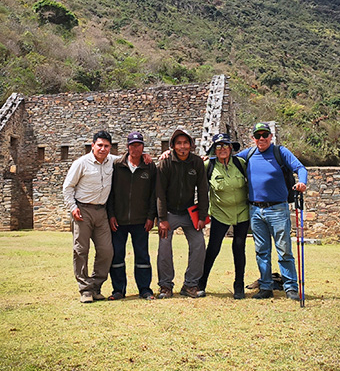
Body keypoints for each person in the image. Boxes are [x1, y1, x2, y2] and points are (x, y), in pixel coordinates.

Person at [237, 122, 307, 300]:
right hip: (255, 210)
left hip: (278, 209)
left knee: (284, 250)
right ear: (253, 138)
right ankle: (266, 286)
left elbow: (300, 168)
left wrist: (302, 182)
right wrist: (208, 158)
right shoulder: (250, 153)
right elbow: (227, 159)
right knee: (261, 251)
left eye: (265, 135)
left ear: (271, 136)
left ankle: (290, 287)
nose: (261, 138)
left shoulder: (280, 152)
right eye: (258, 135)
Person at [63, 130, 116, 303]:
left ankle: (96, 286)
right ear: (92, 145)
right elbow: (68, 187)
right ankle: (85, 289)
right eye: (99, 145)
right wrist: (72, 207)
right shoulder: (81, 163)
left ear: (110, 147)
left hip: (102, 212)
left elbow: (132, 159)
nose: (103, 149)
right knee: (81, 250)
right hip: (82, 211)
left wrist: (145, 155)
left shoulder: (113, 162)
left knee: (106, 251)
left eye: (106, 146)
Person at [156, 126, 209, 298]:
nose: (182, 147)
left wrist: (202, 216)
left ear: (191, 145)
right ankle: (165, 286)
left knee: (199, 244)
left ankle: (190, 285)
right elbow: (160, 192)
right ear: (172, 145)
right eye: (178, 143)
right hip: (169, 212)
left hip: (188, 212)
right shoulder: (165, 162)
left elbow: (202, 190)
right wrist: (162, 218)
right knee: (164, 247)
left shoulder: (197, 162)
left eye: (186, 143)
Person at [197, 133, 250, 300]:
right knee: (213, 248)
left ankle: (239, 285)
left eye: (225, 145)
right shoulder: (208, 165)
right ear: (214, 149)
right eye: (218, 146)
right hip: (220, 213)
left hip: (242, 212)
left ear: (231, 148)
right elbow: (199, 184)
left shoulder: (240, 164)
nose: (222, 149)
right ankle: (201, 283)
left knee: (239, 248)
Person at [107, 131, 157, 301]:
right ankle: (118, 290)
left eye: (138, 145)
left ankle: (145, 289)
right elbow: (110, 192)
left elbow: (153, 194)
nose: (135, 148)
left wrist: (151, 216)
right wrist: (111, 215)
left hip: (141, 220)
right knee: (117, 255)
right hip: (118, 220)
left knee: (142, 255)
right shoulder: (116, 165)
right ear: (127, 147)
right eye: (132, 145)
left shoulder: (150, 167)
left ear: (143, 147)